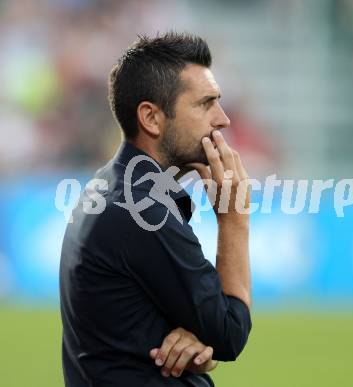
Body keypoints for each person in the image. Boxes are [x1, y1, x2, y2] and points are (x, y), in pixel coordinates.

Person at [60, 32, 252, 387]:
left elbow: (147, 320)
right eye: (205, 104)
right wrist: (234, 219)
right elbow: (229, 331)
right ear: (151, 118)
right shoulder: (142, 209)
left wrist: (198, 339)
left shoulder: (112, 185)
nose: (223, 119)